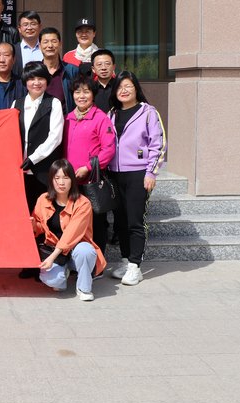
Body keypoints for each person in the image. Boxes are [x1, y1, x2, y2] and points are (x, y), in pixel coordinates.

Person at [107, 71, 166, 286]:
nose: (123, 90)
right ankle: (125, 261)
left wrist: (151, 173)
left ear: (136, 89)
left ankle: (135, 266)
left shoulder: (148, 112)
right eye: (119, 87)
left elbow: (158, 144)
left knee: (135, 220)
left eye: (128, 86)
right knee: (120, 221)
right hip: (115, 174)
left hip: (138, 174)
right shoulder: (111, 113)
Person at [29, 159, 106, 301]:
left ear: (72, 180)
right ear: (51, 180)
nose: (61, 182)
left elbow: (71, 234)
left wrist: (52, 258)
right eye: (57, 178)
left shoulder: (83, 203)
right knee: (54, 281)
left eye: (65, 178)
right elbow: (40, 228)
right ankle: (63, 273)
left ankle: (84, 288)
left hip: (76, 250)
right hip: (54, 250)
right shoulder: (43, 199)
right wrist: (33, 225)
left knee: (85, 251)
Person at [64, 74, 116, 254]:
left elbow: (109, 149)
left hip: (91, 181)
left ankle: (98, 261)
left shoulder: (100, 118)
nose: (81, 96)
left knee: (96, 223)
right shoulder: (68, 118)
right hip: (70, 181)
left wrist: (87, 167)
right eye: (77, 92)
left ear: (93, 95)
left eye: (86, 92)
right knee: (73, 222)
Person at [13, 61, 64, 215]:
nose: (36, 83)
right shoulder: (16, 104)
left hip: (44, 169)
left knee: (45, 211)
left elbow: (55, 137)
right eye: (31, 79)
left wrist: (33, 158)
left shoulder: (54, 103)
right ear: (25, 81)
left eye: (40, 78)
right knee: (24, 211)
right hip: (20, 169)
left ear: (47, 81)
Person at [39, 26, 79, 112]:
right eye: (45, 42)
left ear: (60, 44)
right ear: (39, 46)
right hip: (40, 118)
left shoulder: (72, 70)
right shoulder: (35, 71)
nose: (50, 45)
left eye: (54, 41)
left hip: (66, 118)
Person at [13, 11, 43, 76]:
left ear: (40, 26)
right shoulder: (13, 50)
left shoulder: (46, 48)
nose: (29, 28)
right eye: (25, 25)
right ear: (19, 29)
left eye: (33, 24)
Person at [90, 49, 116, 113]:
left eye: (107, 64)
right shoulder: (89, 88)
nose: (103, 68)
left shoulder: (120, 87)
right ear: (93, 69)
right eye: (99, 64)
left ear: (114, 67)